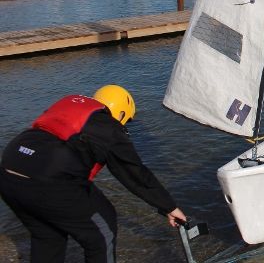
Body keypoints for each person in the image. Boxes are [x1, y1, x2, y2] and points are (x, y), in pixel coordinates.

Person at [0, 85, 186, 263]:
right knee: (102, 229)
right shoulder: (109, 127)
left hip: (9, 171)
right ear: (121, 113)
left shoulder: (71, 103)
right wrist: (169, 207)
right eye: (126, 119)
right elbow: (134, 174)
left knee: (49, 235)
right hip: (51, 180)